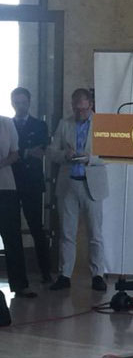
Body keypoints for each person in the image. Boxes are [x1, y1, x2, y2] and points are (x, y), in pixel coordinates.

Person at [48, 88, 109, 291]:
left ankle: (98, 275)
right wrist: (65, 155)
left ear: (90, 105)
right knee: (66, 233)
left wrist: (89, 158)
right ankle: (64, 275)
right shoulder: (65, 123)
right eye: (75, 108)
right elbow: (51, 152)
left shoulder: (101, 124)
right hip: (69, 183)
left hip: (92, 183)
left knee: (95, 233)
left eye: (82, 109)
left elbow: (110, 155)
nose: (78, 112)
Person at [10, 87, 52, 283]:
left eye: (23, 102)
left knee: (37, 228)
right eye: (17, 102)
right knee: (12, 230)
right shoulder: (6, 125)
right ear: (13, 104)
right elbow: (7, 153)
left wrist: (19, 154)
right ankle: (18, 276)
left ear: (29, 102)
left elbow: (40, 149)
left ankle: (45, 272)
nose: (20, 105)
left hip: (32, 184)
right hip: (9, 184)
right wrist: (25, 152)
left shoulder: (40, 125)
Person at [0, 115, 38, 298]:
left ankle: (20, 284)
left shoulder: (6, 123)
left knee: (12, 237)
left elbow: (15, 153)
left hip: (6, 186)